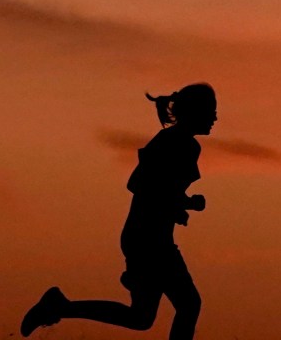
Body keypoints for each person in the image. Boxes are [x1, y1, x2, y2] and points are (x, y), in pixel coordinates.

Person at [22, 84, 218, 340]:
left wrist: (183, 204)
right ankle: (60, 306)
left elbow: (161, 188)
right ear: (195, 112)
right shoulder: (173, 143)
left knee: (142, 317)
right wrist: (180, 204)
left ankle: (60, 307)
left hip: (150, 239)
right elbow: (138, 184)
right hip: (148, 241)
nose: (215, 118)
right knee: (188, 305)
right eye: (211, 111)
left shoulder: (184, 145)